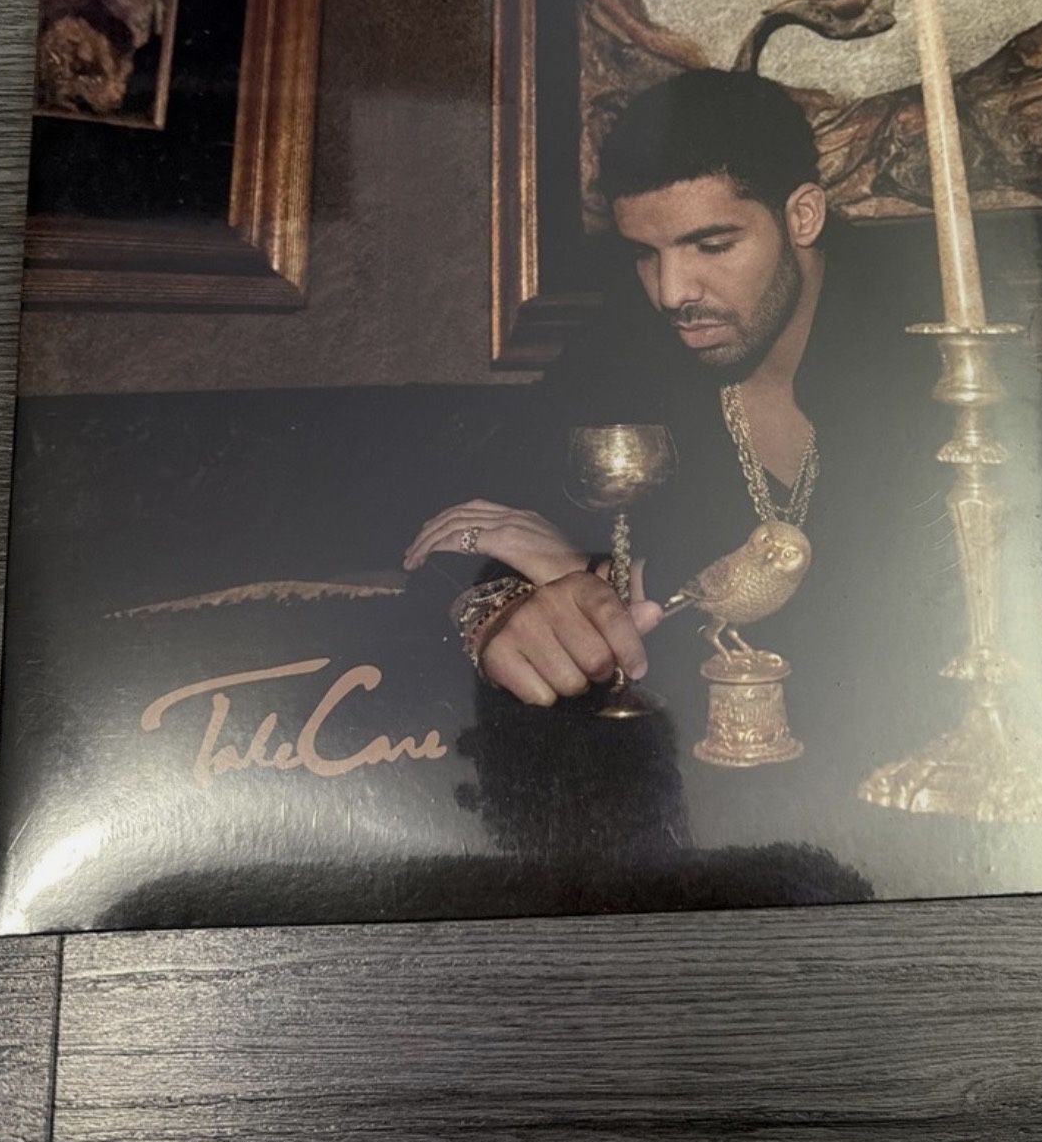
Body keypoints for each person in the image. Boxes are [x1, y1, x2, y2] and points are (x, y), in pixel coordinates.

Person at [400, 68, 993, 900]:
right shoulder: (632, 338)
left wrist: (592, 573)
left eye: (713, 246)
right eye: (646, 254)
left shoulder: (935, 347)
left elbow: (922, 613)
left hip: (905, 814)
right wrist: (494, 602)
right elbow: (465, 510)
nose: (675, 292)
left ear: (802, 216)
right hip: (692, 816)